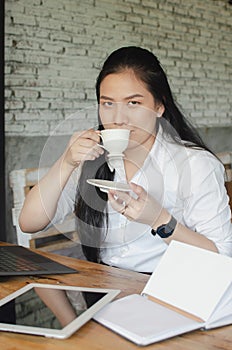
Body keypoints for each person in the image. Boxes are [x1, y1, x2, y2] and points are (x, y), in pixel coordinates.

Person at [19, 46, 232, 273]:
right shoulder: (92, 159)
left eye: (133, 103)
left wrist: (159, 219)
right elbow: (30, 223)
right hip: (105, 283)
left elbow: (222, 257)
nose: (118, 119)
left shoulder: (195, 165)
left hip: (168, 288)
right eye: (108, 103)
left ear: (159, 106)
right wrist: (66, 161)